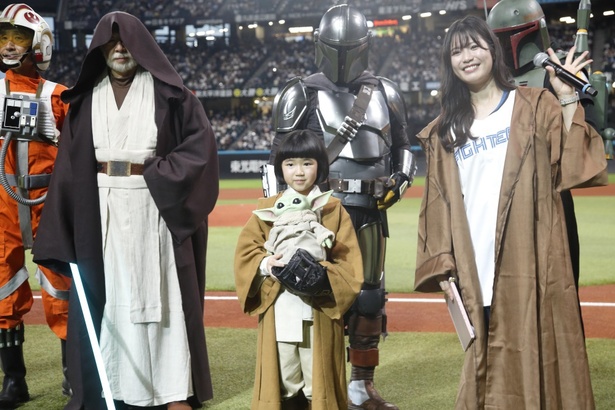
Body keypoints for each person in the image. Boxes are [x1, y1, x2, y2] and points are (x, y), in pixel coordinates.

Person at [414, 15, 606, 408]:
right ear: (449, 63)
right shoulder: (443, 130)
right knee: (486, 366)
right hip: (475, 264)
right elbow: (436, 203)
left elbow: (571, 163)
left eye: (475, 46)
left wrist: (566, 96)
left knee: (541, 350)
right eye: (457, 51)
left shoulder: (534, 105)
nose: (467, 57)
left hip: (531, 255)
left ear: (493, 50)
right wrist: (444, 267)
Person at [31, 11, 219, 409]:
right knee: (111, 296)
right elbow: (67, 169)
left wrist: (160, 176)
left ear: (141, 47)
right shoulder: (84, 101)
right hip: (100, 209)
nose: (119, 49)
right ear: (100, 50)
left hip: (155, 205)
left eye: (126, 42)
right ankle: (114, 388)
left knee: (164, 295)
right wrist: (61, 227)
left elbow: (200, 149)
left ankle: (173, 391)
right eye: (111, 42)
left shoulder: (172, 96)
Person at [269, 5, 416, 409]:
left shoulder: (386, 92)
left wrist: (401, 178)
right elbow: (278, 162)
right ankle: (317, 383)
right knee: (313, 290)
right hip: (318, 213)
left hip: (370, 208)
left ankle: (360, 387)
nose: (342, 57)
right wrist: (287, 215)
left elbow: (403, 146)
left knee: (369, 297)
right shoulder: (300, 92)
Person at [235, 129, 363, 409]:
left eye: (308, 163)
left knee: (318, 381)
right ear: (281, 168)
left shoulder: (332, 209)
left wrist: (323, 275)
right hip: (279, 305)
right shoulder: (267, 209)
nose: (300, 172)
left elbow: (350, 264)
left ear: (320, 166)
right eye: (290, 164)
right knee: (283, 378)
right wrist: (266, 264)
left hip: (319, 307)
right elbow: (246, 252)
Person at [487, 0, 598, 291]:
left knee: (559, 290)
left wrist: (568, 96)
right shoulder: (489, 80)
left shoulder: (560, 70)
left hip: (550, 197)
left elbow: (586, 136)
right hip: (501, 199)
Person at [0, 3, 71, 405]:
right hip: (3, 210)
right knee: (3, 290)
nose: (9, 45)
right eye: (3, 37)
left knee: (61, 288)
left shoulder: (58, 97)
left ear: (39, 43)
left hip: (49, 207)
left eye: (18, 37)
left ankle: (73, 376)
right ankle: (14, 381)